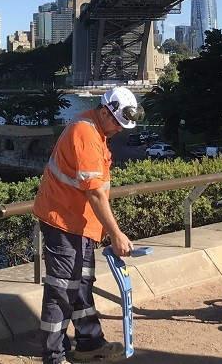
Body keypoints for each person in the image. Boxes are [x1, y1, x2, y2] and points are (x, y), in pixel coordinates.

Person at [33, 86, 143, 364]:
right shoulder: (85, 133)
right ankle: (54, 356)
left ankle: (89, 343)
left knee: (81, 285)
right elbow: (94, 193)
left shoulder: (97, 131)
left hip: (79, 225)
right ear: (104, 111)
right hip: (62, 223)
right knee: (61, 290)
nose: (120, 129)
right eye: (118, 122)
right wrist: (116, 234)